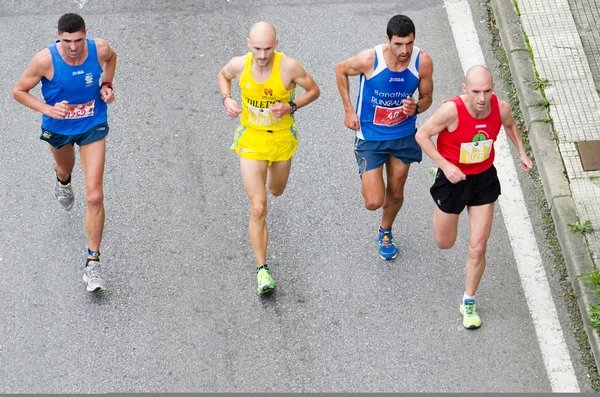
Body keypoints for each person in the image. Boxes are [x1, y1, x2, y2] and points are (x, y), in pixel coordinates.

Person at [415, 65, 533, 329]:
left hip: (483, 179)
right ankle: (441, 190)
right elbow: (422, 135)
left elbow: (511, 125)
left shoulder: (499, 107)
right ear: (465, 89)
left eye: (487, 91)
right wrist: (444, 165)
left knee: (478, 246)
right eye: (476, 91)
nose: (482, 98)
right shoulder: (451, 111)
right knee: (444, 242)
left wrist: (522, 153)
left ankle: (468, 300)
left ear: (493, 89)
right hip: (452, 178)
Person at [13, 13, 117, 292]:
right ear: (58, 35)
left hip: (92, 123)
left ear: (87, 34)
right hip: (58, 128)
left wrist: (106, 84)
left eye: (79, 40)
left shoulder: (100, 48)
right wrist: (48, 109)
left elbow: (112, 59)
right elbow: (19, 91)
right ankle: (62, 182)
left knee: (94, 194)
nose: (73, 47)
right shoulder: (45, 60)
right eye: (67, 41)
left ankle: (93, 263)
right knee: (65, 169)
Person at [217, 22, 320, 295]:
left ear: (276, 43)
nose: (262, 55)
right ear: (249, 44)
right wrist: (226, 98)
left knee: (276, 190)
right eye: (258, 48)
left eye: (268, 48)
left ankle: (272, 191)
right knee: (258, 206)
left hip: (281, 140)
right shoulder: (240, 64)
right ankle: (262, 270)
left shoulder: (290, 67)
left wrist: (291, 106)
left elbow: (314, 90)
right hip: (251, 139)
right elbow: (223, 75)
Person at [335, 14, 433, 260]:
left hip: (403, 134)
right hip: (370, 135)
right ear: (387, 39)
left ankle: (386, 230)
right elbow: (340, 70)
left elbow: (427, 98)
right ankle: (368, 174)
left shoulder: (423, 62)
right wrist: (348, 110)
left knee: (397, 192)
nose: (404, 50)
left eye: (409, 43)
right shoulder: (370, 59)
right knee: (373, 201)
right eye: (398, 43)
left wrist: (417, 108)